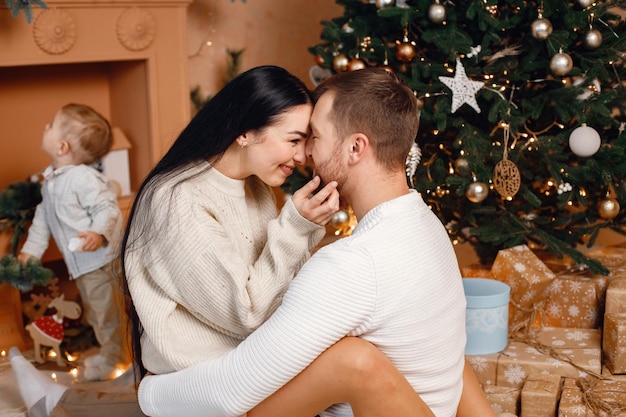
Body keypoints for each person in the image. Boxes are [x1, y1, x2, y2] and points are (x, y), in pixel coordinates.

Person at [9, 66, 436, 417]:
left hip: (248, 367)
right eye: (293, 140)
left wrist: (299, 233)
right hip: (206, 380)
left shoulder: (256, 187)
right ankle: (60, 403)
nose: (304, 156)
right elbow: (247, 312)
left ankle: (64, 403)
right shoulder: (176, 200)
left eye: (307, 140)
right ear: (244, 132)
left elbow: (284, 289)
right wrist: (296, 228)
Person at [135, 67, 498, 417]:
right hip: (228, 375)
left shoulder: (351, 264)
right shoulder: (426, 223)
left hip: (245, 387)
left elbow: (235, 388)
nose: (306, 153)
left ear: (356, 148)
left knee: (353, 359)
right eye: (296, 138)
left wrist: (149, 393)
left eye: (314, 137)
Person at [17, 103, 127, 382]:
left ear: (63, 147)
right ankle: (109, 350)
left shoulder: (83, 179)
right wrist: (31, 250)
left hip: (99, 261)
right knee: (94, 308)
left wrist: (98, 233)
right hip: (81, 265)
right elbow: (43, 218)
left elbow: (107, 208)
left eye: (51, 125)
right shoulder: (51, 180)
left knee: (106, 312)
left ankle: (116, 359)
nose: (46, 127)